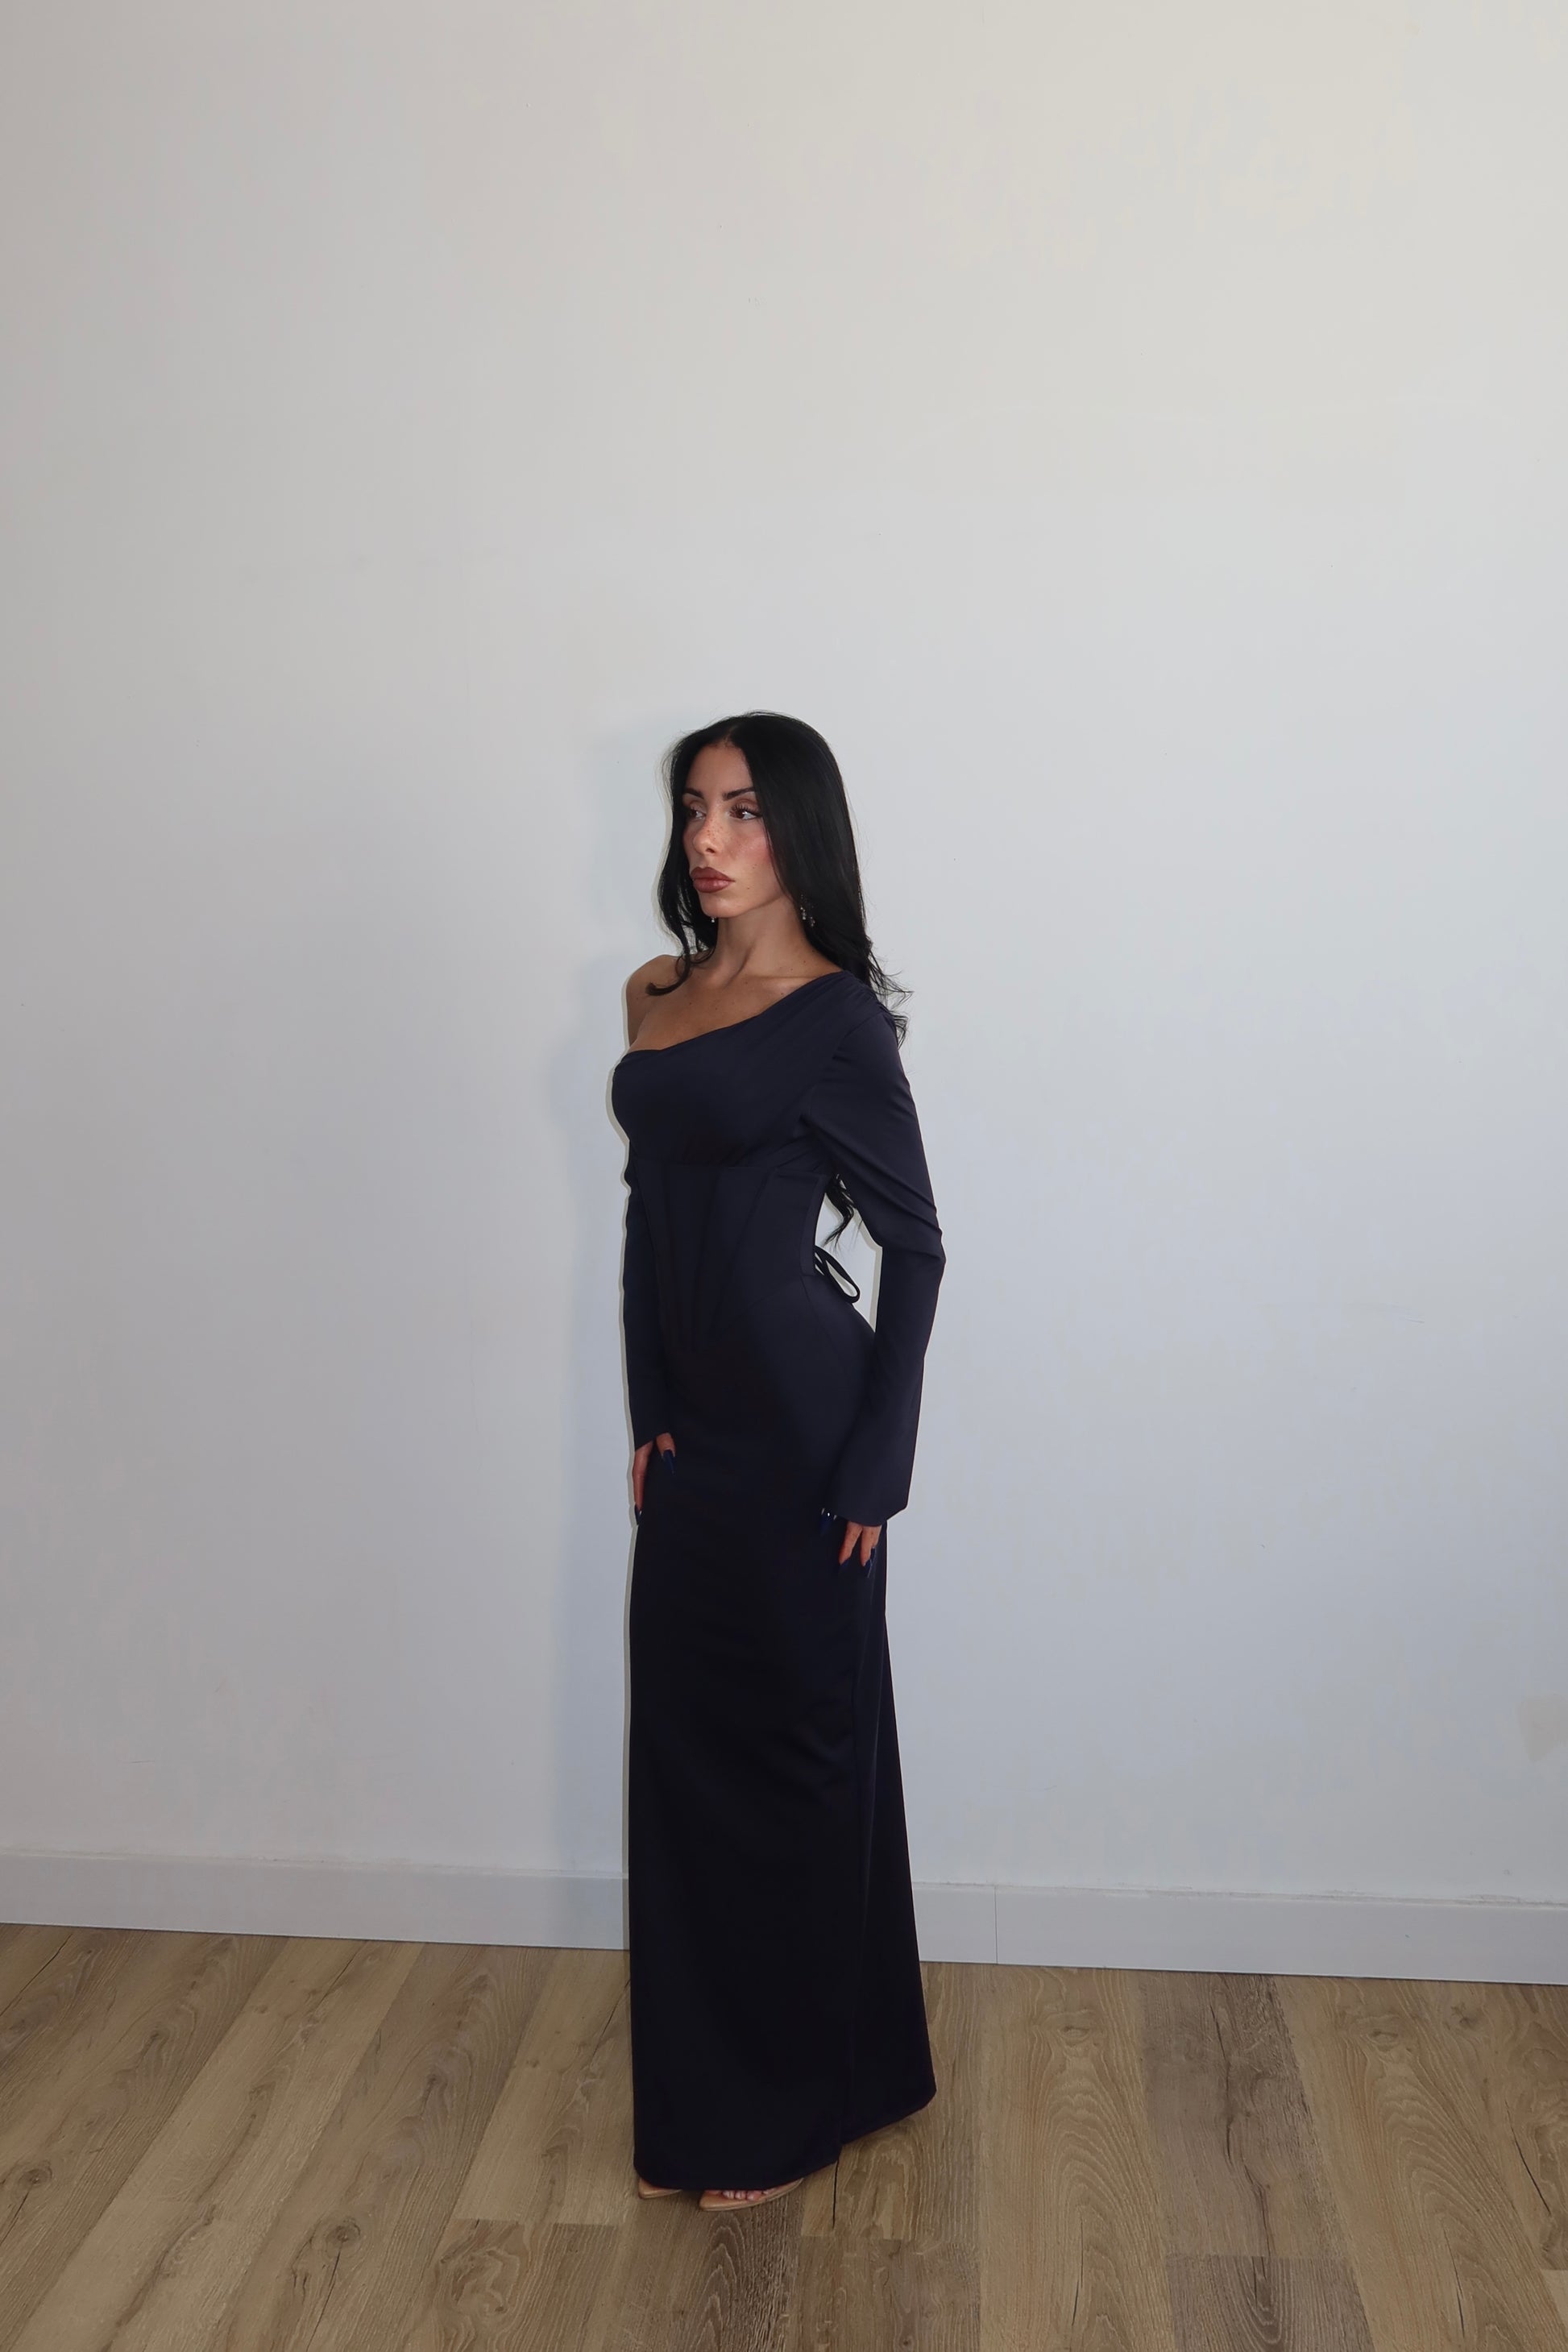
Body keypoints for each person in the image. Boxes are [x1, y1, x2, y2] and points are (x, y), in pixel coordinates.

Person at [610, 711, 946, 2213]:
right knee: (691, 1765)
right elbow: (647, 1213)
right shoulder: (656, 992)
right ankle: (773, 2086)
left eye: (742, 810)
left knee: (800, 1761)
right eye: (695, 807)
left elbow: (915, 1250)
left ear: (798, 829)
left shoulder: (835, 1022)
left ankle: (791, 2115)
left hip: (811, 1441)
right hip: (695, 1441)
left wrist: (877, 1468)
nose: (708, 837)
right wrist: (647, 1408)